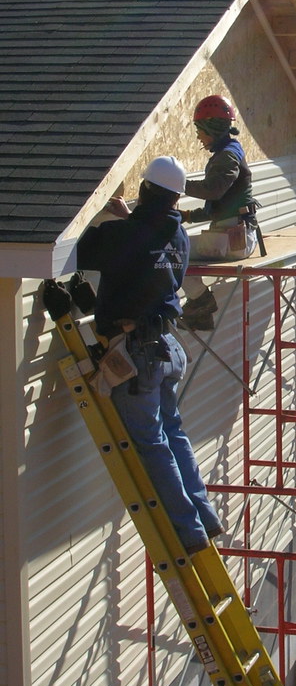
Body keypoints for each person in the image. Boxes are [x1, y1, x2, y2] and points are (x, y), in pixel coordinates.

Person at [76, 155, 223, 555]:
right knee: (172, 433)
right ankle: (204, 516)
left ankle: (189, 532)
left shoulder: (126, 235)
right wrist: (128, 222)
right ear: (176, 199)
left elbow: (84, 250)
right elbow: (148, 243)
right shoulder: (179, 238)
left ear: (143, 191)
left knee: (152, 443)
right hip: (166, 348)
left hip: (138, 353)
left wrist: (116, 221)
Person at [179, 93, 257, 330]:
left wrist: (175, 181)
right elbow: (220, 206)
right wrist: (189, 216)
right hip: (233, 237)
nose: (198, 136)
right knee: (176, 249)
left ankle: (201, 301)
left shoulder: (227, 156)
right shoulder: (229, 151)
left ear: (211, 127)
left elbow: (214, 190)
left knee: (169, 251)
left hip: (232, 241)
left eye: (199, 129)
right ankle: (200, 315)